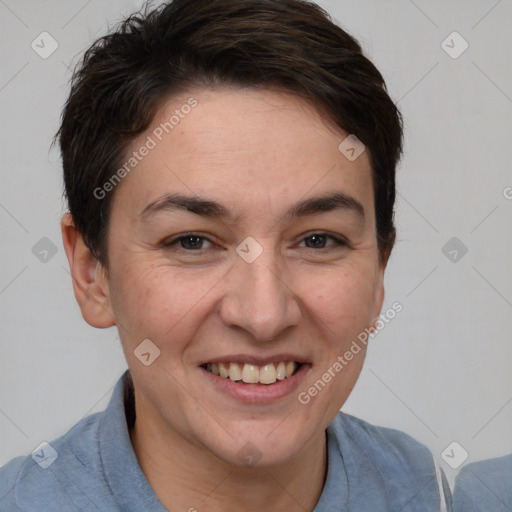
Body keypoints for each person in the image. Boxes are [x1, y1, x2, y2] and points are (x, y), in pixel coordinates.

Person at [0, 0, 442, 510]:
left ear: (378, 269)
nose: (263, 315)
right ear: (91, 273)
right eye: (192, 241)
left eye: (318, 240)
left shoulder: (450, 496)